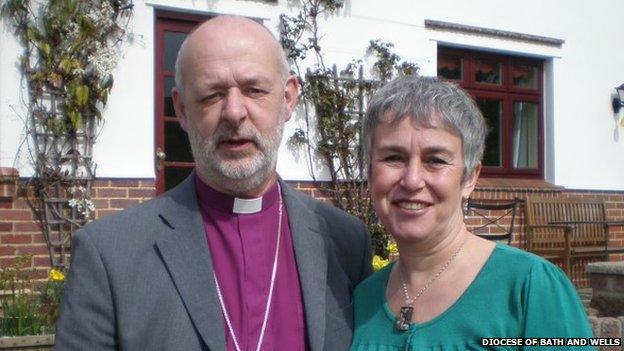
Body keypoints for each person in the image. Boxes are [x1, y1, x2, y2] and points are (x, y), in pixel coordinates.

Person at [55, 15, 372, 351]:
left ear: (289, 98)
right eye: (211, 95)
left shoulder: (345, 241)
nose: (234, 112)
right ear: (181, 108)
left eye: (254, 90)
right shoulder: (109, 254)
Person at [350, 75, 594, 350]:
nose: (412, 180)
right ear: (370, 174)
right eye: (394, 157)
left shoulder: (529, 288)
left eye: (435, 160)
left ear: (469, 179)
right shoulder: (362, 299)